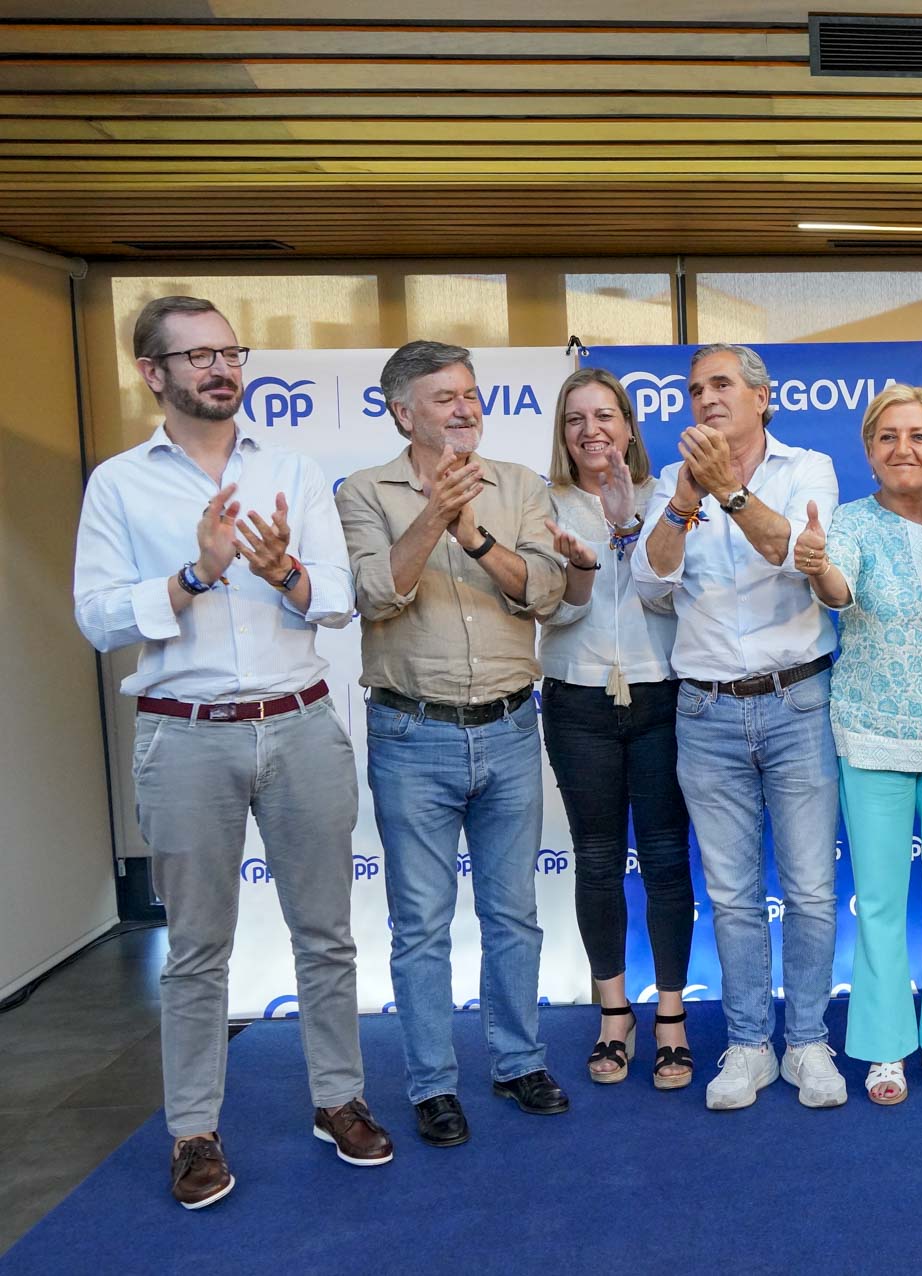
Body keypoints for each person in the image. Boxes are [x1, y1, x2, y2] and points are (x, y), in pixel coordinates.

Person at [74, 295, 392, 1209]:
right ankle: (194, 1133)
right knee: (197, 951)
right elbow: (96, 618)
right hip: (184, 734)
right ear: (153, 374)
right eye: (199, 355)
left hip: (300, 724)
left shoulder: (292, 467)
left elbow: (334, 597)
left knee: (327, 934)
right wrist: (195, 575)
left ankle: (338, 1098)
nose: (222, 368)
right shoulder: (120, 485)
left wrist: (280, 569)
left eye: (231, 351)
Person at [335, 339, 570, 1148]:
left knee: (514, 915)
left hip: (509, 725)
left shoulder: (521, 485)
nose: (466, 408)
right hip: (412, 731)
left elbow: (544, 591)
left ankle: (519, 1063)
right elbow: (374, 594)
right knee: (422, 924)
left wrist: (470, 535)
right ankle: (433, 1084)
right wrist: (432, 514)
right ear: (403, 412)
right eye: (445, 398)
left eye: (471, 394)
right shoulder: (365, 493)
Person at [632, 342, 846, 1111]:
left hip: (796, 702)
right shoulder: (671, 480)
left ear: (762, 398)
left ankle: (810, 1043)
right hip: (706, 709)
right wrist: (689, 498)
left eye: (721, 384)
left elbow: (797, 556)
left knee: (813, 890)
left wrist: (729, 492)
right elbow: (650, 580)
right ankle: (750, 1045)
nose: (705, 398)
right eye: (695, 389)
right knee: (730, 893)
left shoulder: (807, 468)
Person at [795, 384, 922, 1105]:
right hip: (872, 737)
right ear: (868, 450)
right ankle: (883, 1048)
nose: (902, 449)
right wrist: (816, 564)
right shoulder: (847, 523)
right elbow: (839, 589)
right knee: (878, 901)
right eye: (887, 437)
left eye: (918, 436)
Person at [538, 367, 695, 1089]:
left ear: (630, 427)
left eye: (605, 416)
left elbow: (675, 606)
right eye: (576, 419)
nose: (592, 430)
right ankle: (613, 1015)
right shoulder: (542, 506)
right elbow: (554, 615)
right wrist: (575, 571)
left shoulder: (670, 496)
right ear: (563, 435)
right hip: (578, 703)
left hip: (662, 697)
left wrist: (631, 528)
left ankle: (670, 1019)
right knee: (597, 860)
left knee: (665, 859)